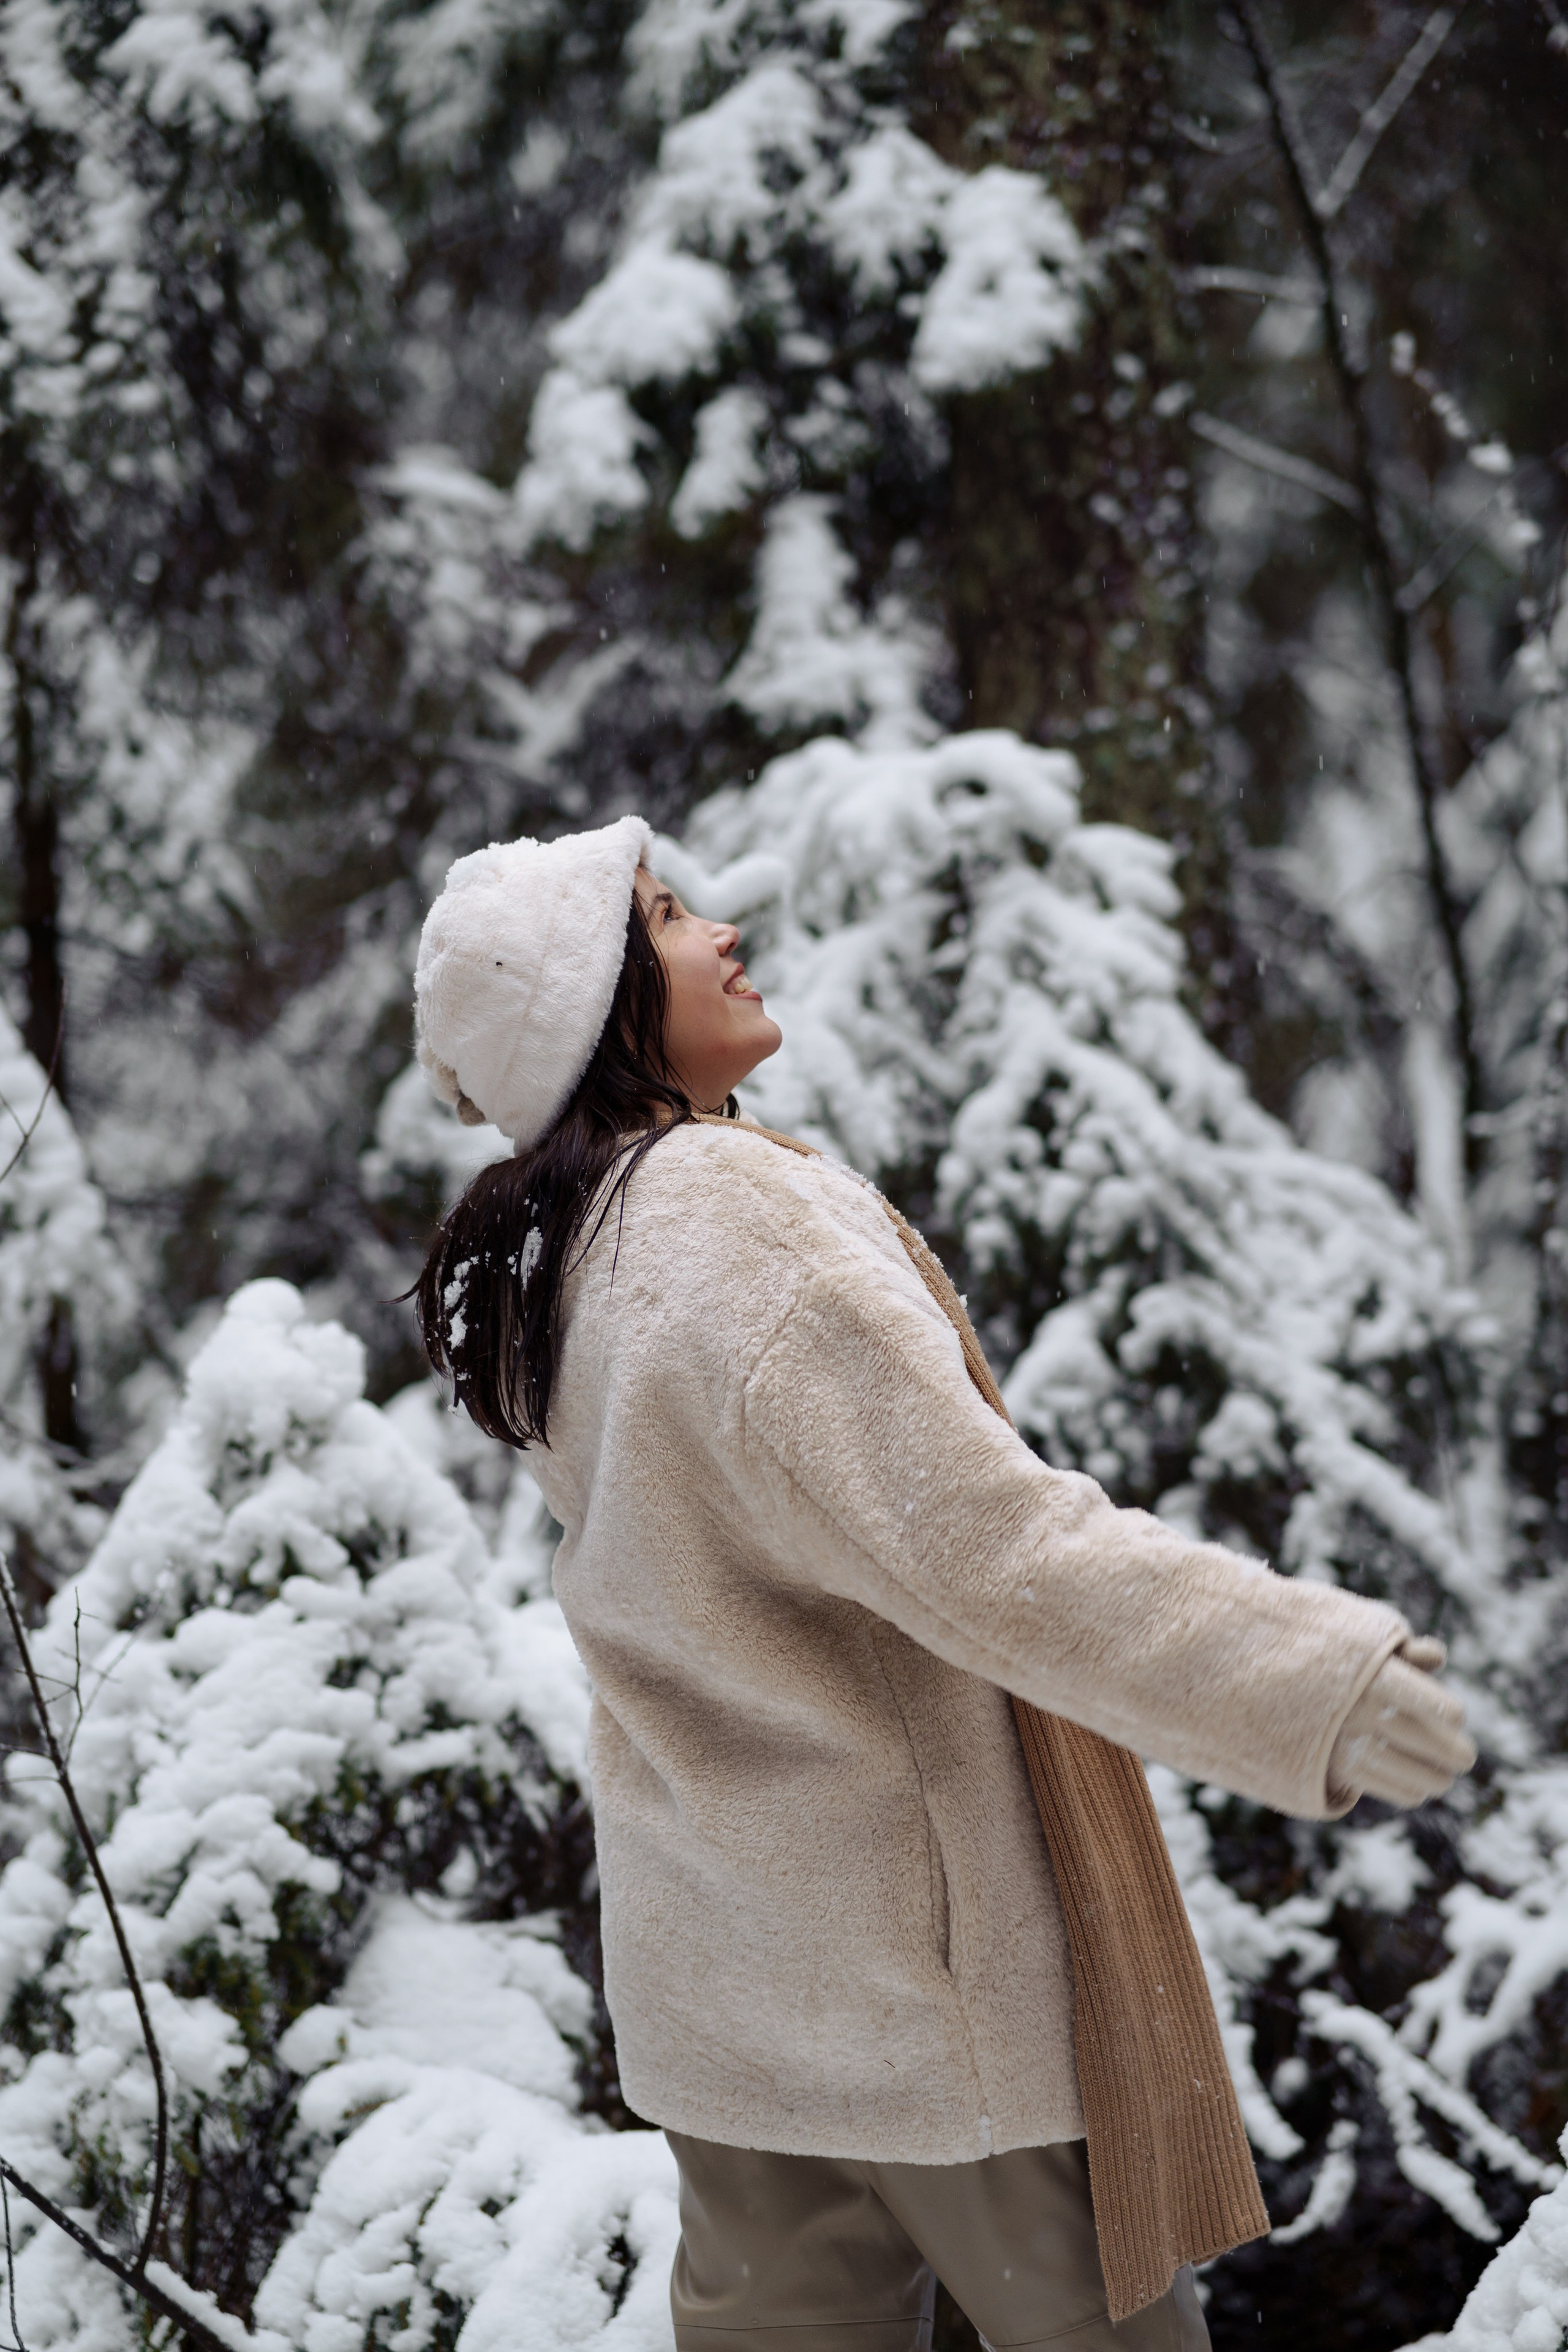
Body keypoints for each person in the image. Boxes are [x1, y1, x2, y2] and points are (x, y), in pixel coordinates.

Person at [410, 816, 1474, 2352]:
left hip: (729, 2004)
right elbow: (991, 1549)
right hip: (925, 1999)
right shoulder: (730, 1213)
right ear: (596, 1009)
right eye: (661, 919)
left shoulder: (571, 1258)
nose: (719, 931)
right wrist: (1307, 1677)